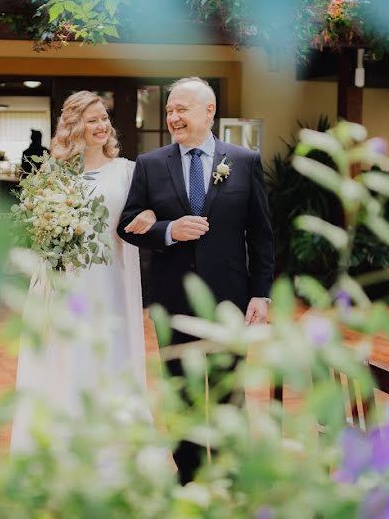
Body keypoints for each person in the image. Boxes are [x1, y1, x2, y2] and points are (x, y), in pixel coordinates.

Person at [117, 77, 274, 483]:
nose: (173, 117)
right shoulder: (150, 165)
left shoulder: (244, 160)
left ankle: (228, 472)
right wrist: (169, 231)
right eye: (169, 110)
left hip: (230, 298)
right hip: (172, 300)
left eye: (181, 109)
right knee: (183, 394)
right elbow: (126, 226)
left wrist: (261, 293)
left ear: (209, 111)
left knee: (229, 391)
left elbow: (261, 234)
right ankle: (188, 475)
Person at [10, 91, 157, 453]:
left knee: (110, 350)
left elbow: (145, 213)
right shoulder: (54, 174)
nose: (102, 126)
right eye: (93, 120)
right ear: (75, 127)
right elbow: (36, 228)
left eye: (104, 118)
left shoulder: (127, 171)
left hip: (112, 280)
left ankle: (115, 443)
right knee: (66, 354)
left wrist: (151, 216)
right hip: (64, 282)